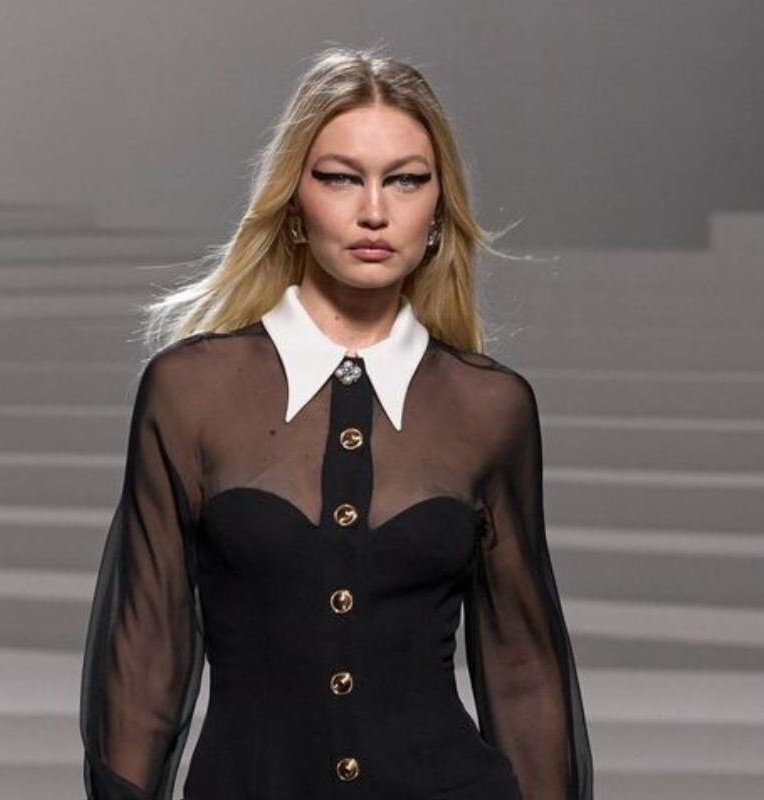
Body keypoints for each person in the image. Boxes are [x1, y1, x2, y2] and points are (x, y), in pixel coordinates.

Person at [79, 45, 593, 800]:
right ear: (293, 201)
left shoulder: (488, 409)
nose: (374, 210)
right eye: (341, 177)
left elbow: (523, 666)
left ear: (439, 208)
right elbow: (147, 652)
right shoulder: (192, 393)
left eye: (406, 180)